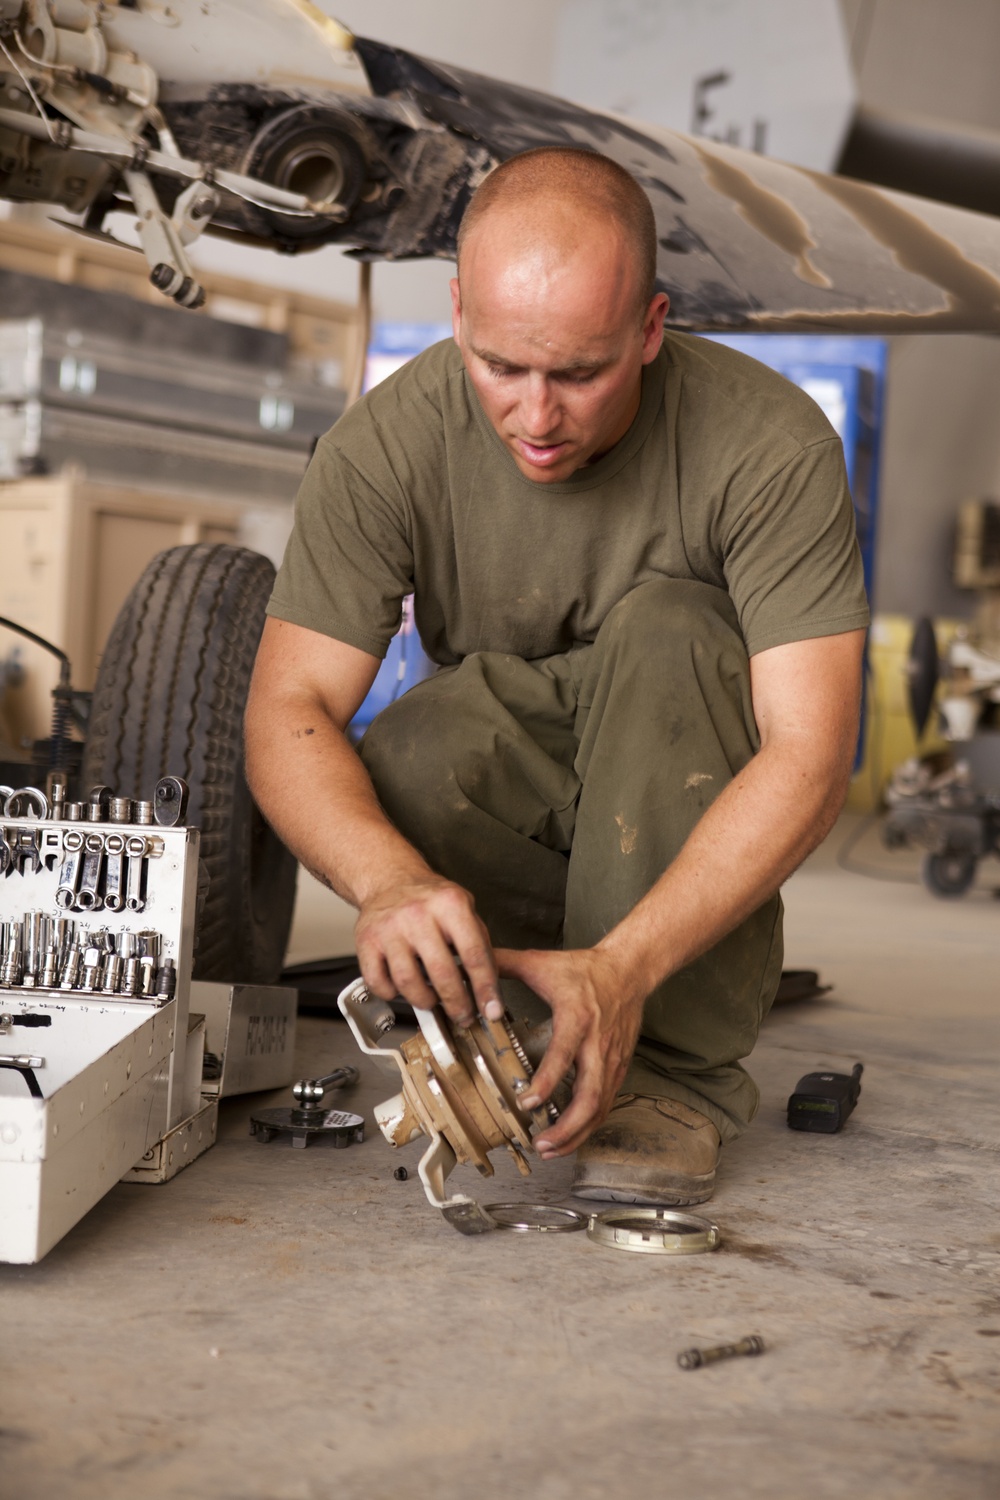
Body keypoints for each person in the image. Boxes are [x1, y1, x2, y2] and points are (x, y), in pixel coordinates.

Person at [245, 147, 868, 1205]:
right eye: (500, 366)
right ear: (455, 313)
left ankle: (668, 1070)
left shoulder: (768, 446)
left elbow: (812, 758)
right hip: (537, 783)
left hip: (675, 776)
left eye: (579, 374)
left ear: (650, 329)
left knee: (673, 626)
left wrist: (627, 964)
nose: (535, 419)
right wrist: (389, 884)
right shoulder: (384, 448)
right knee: (402, 762)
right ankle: (522, 1006)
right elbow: (287, 709)